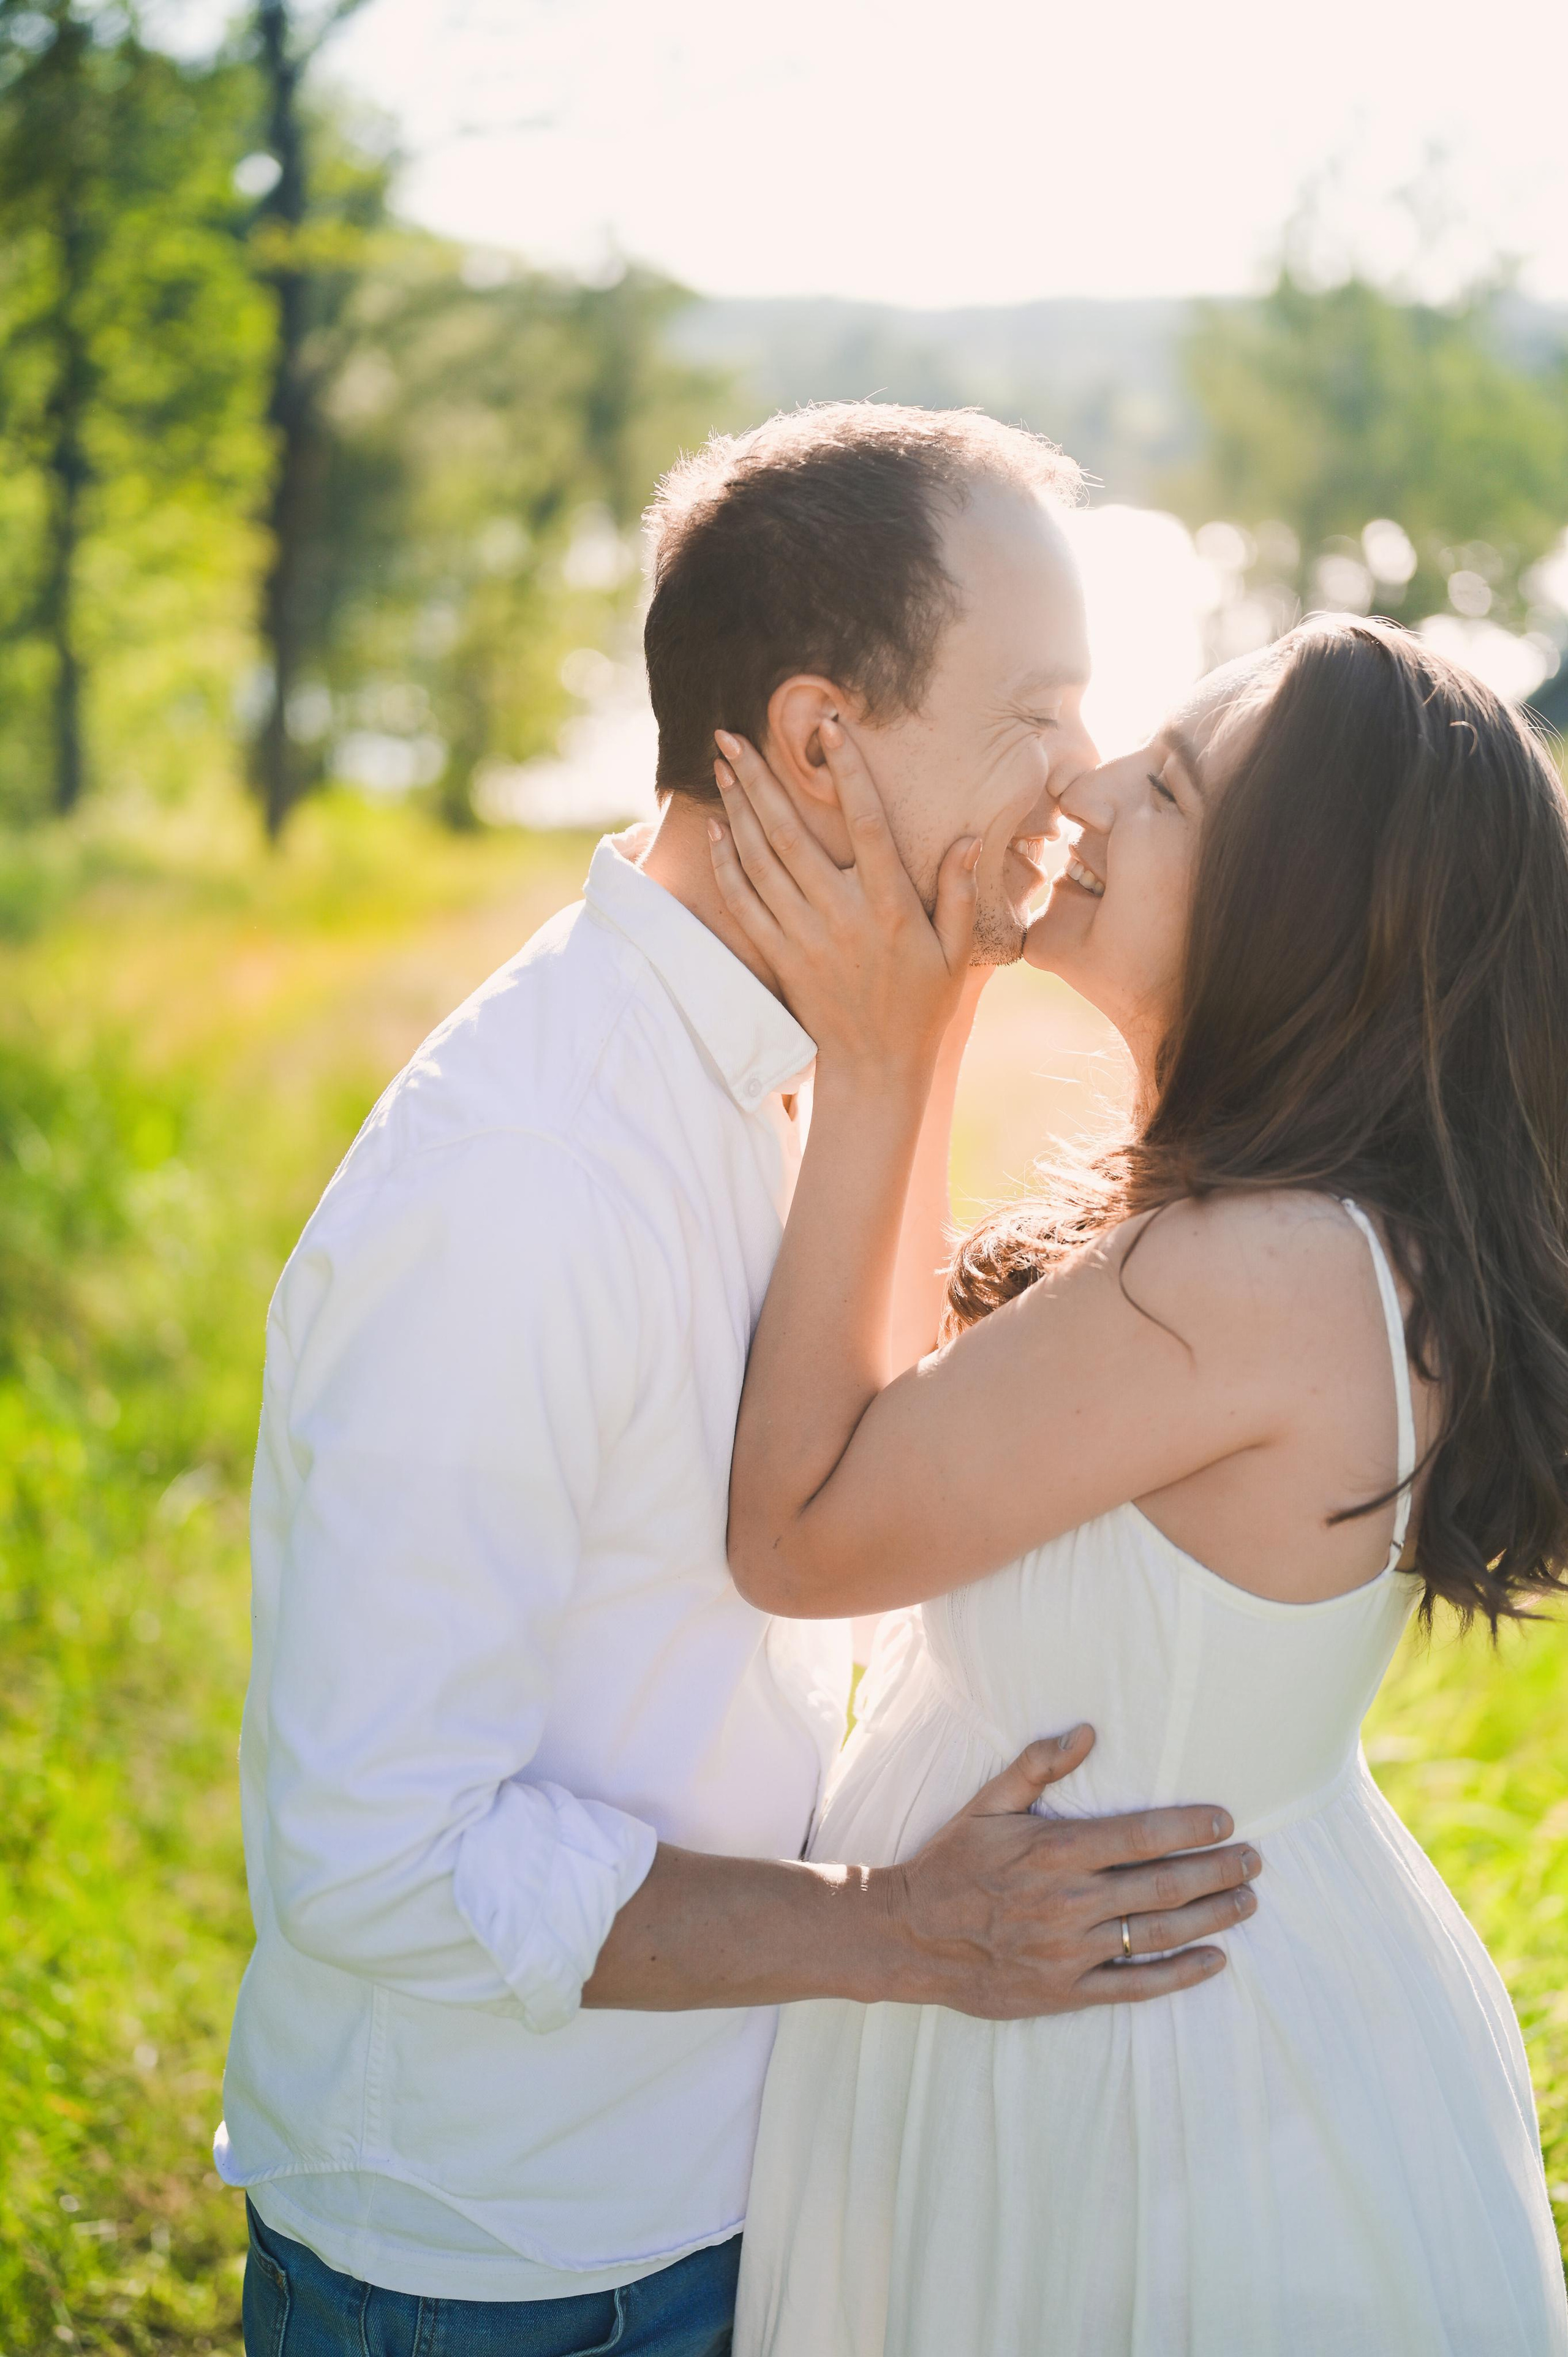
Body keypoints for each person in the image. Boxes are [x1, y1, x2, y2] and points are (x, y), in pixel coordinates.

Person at [215, 404, 1259, 2357]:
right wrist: (900, 1931)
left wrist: (919, 1036)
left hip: (728, 2187)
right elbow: (375, 1853)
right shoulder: (523, 1184)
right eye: (1036, 709)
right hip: (512, 2260)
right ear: (814, 747)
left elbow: (850, 1477)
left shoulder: (806, 1049)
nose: (1086, 776)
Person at [706, 616, 1568, 2356]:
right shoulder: (1270, 1235)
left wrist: (878, 1053)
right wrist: (935, 1010)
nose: (1085, 792)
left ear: (1293, 916)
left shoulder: (1257, 1272)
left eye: (1165, 788)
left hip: (1141, 2084)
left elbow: (807, 1534)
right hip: (1096, 2002)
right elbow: (909, 1424)